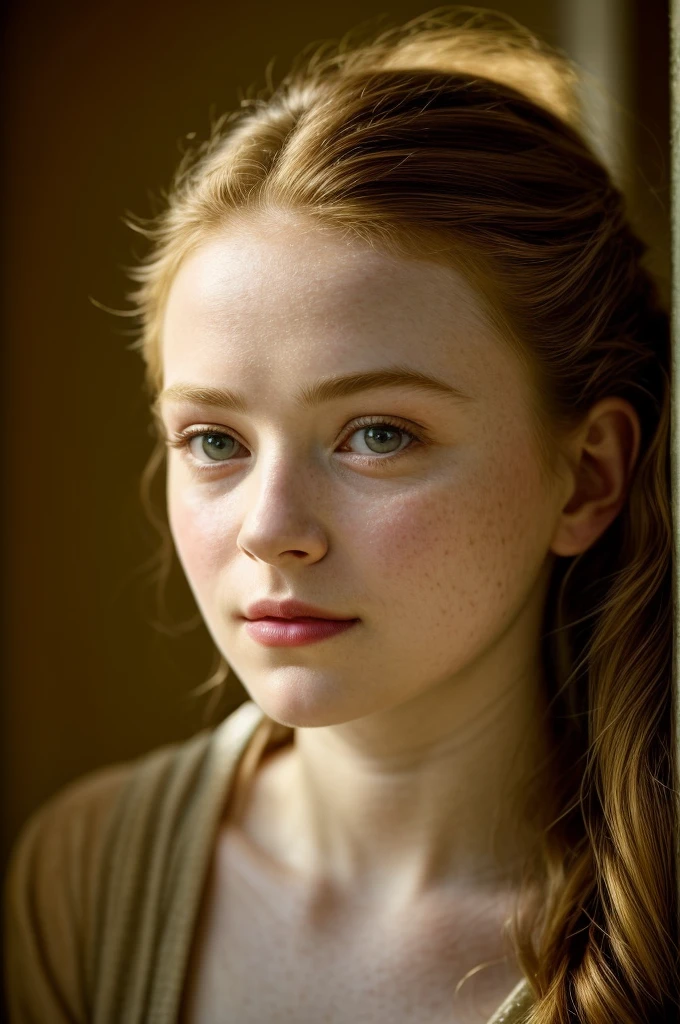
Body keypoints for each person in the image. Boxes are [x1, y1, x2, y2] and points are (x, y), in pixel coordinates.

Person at [4, 7, 677, 1023]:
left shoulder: (657, 927)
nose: (269, 527)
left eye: (376, 434)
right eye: (215, 441)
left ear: (584, 478)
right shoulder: (82, 876)